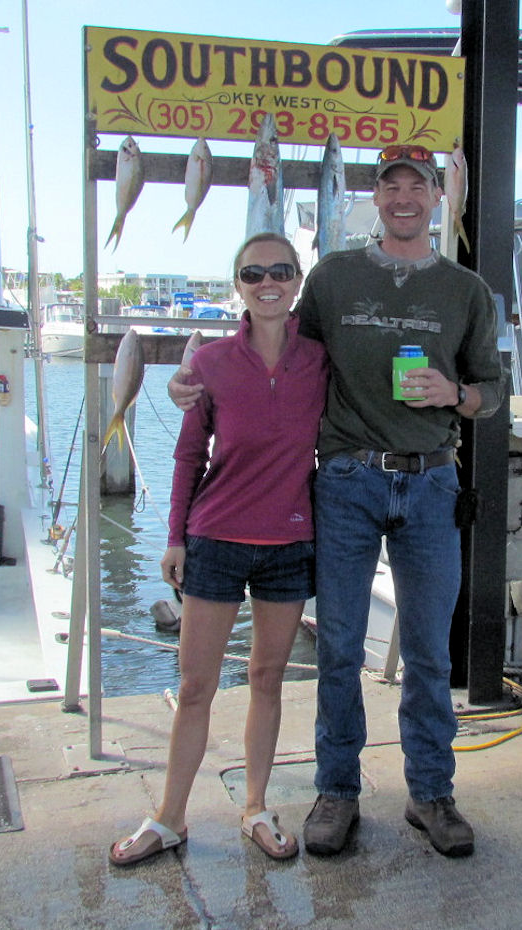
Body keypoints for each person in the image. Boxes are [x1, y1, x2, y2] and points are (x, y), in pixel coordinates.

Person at [168, 144, 507, 861]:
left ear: (437, 198)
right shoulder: (332, 278)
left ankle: (431, 793)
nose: (405, 197)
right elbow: (279, 346)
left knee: (427, 650)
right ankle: (337, 791)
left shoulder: (467, 290)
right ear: (375, 198)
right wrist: (192, 377)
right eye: (392, 186)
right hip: (347, 482)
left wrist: (456, 393)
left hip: (432, 483)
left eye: (418, 186)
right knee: (341, 648)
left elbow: (492, 391)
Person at [109, 233, 328, 866]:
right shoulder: (207, 363)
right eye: (253, 274)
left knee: (267, 679)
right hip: (214, 541)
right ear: (238, 286)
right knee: (196, 685)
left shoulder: (321, 360)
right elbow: (187, 455)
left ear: (297, 280)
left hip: (290, 542)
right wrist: (174, 537)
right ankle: (169, 818)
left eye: (280, 271)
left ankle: (255, 807)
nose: (268, 283)